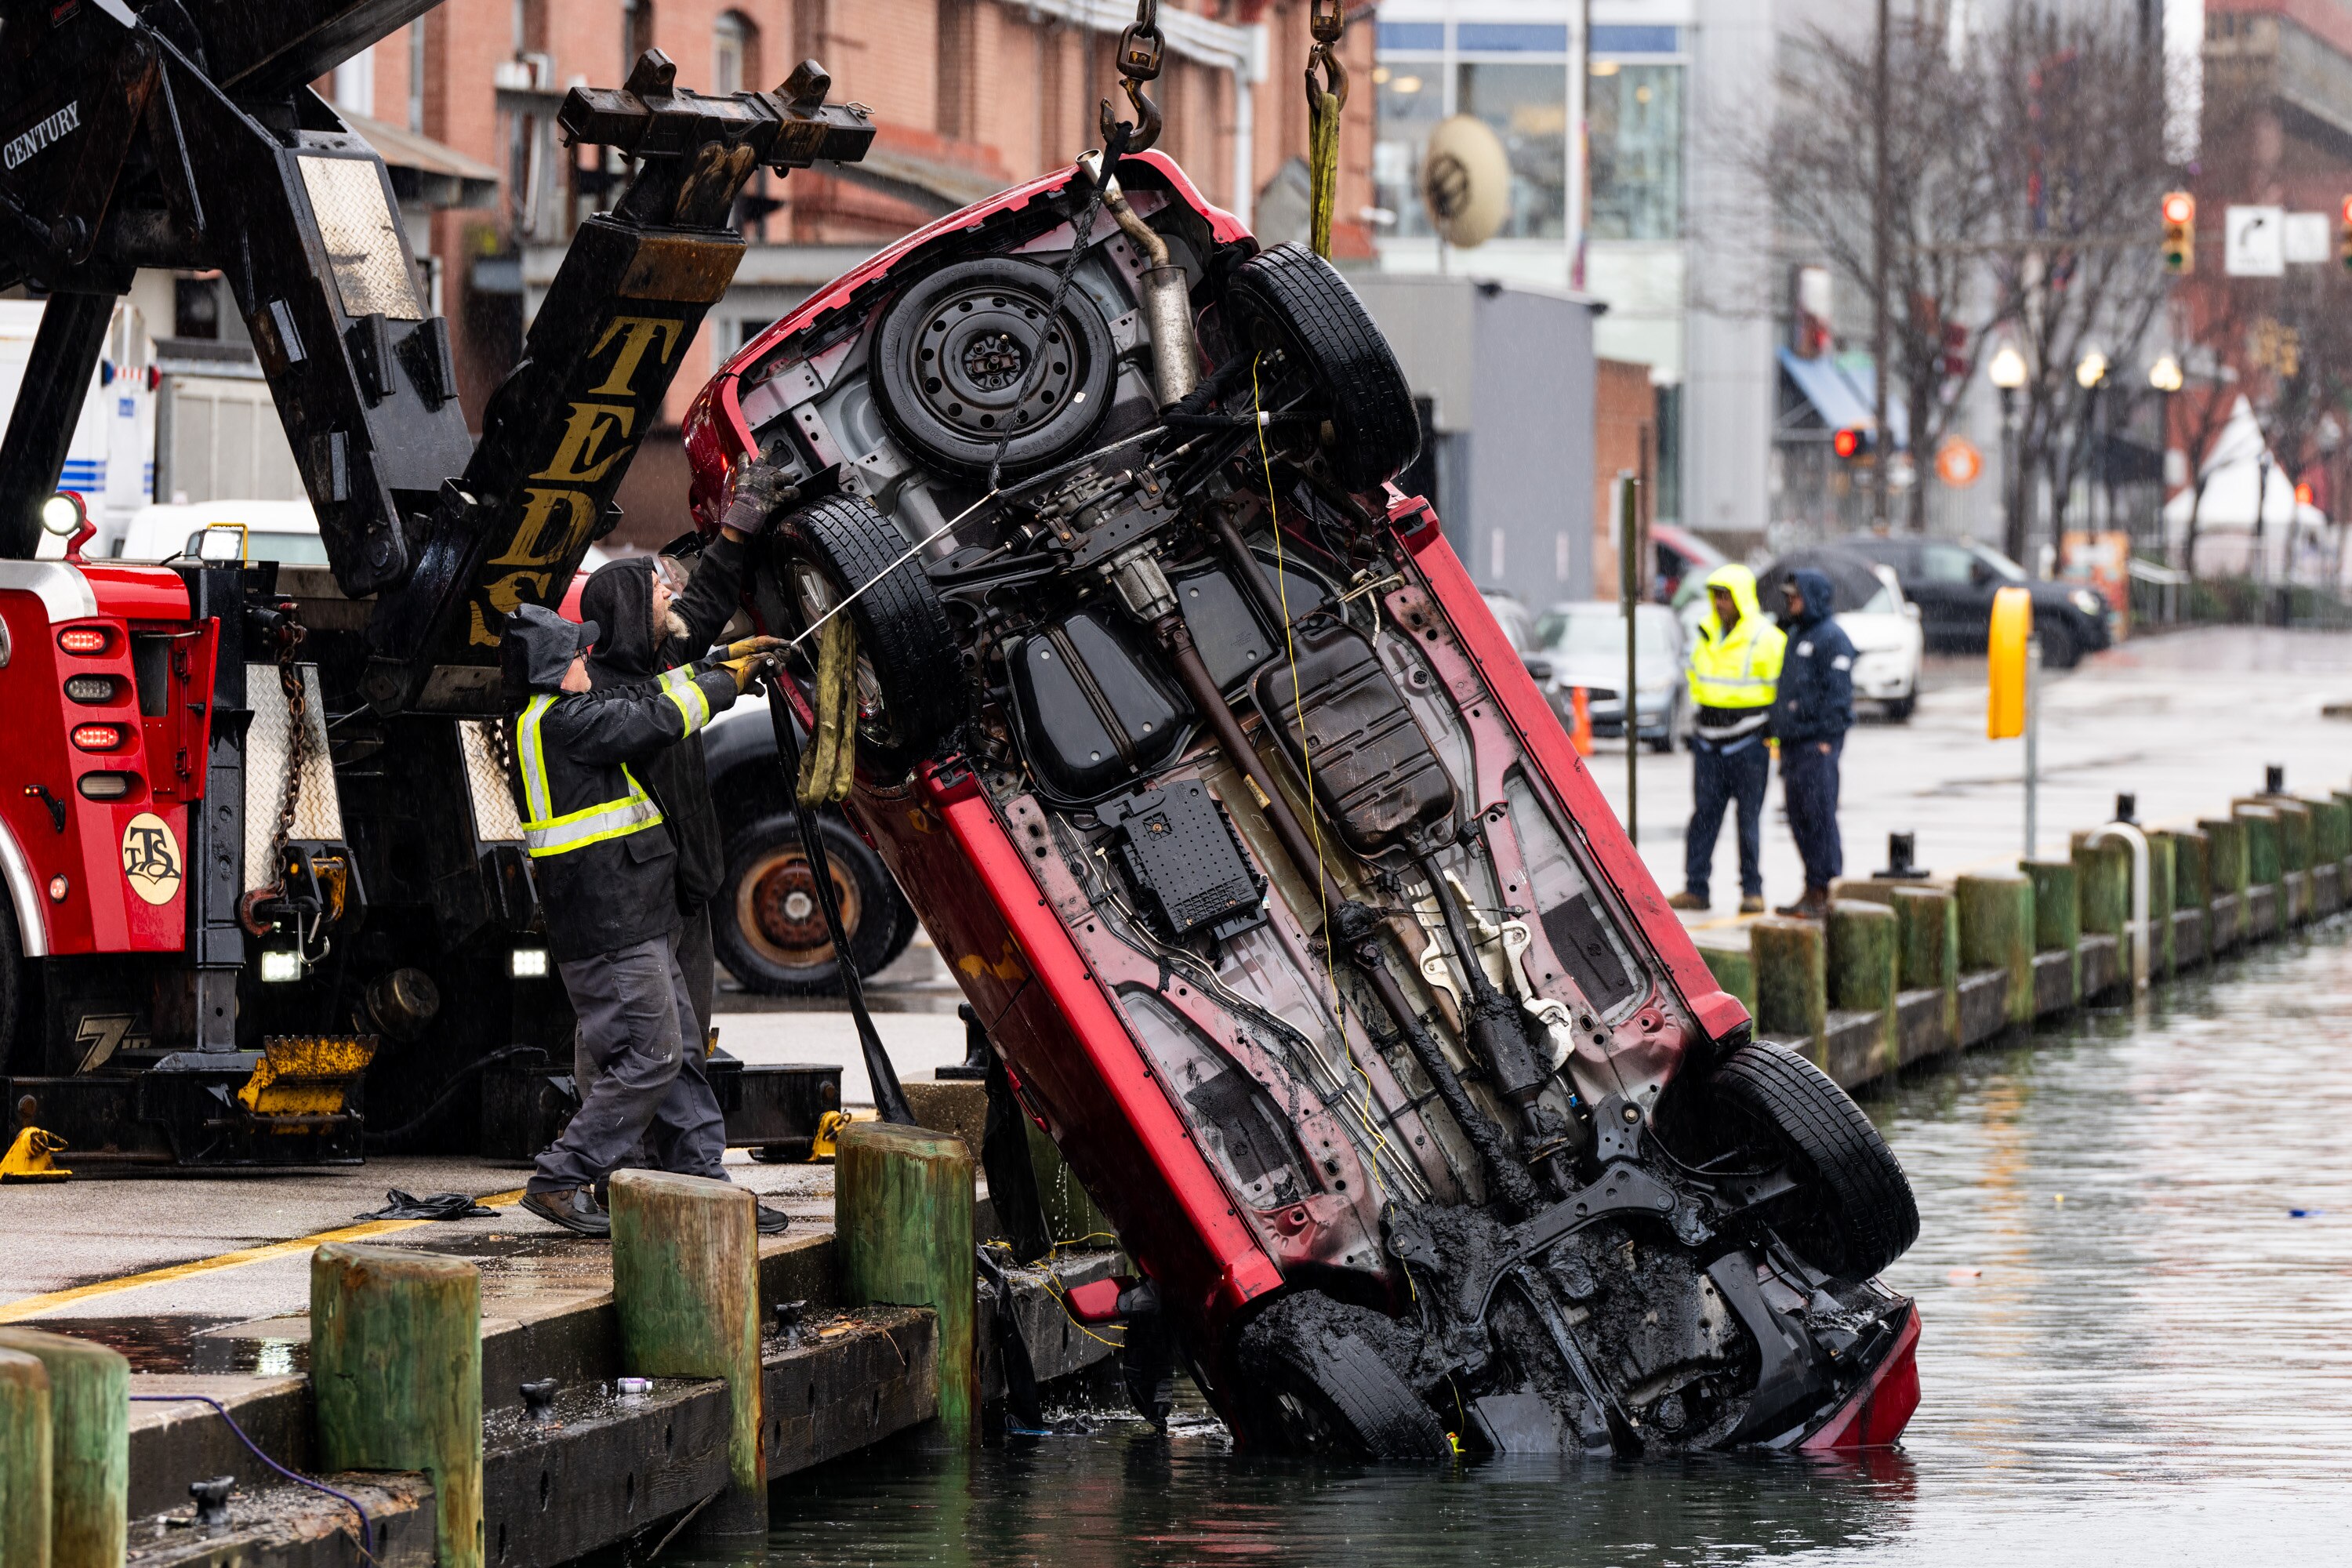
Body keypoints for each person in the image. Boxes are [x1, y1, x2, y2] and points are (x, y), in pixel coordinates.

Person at [503, 601, 786, 1237]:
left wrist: (716, 664)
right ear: (551, 669)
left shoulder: (566, 715)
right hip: (611, 928)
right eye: (574, 653)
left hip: (634, 916)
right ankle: (562, 1178)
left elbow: (644, 694)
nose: (585, 659)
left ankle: (700, 1187)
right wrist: (726, 686)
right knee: (650, 1057)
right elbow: (654, 718)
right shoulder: (562, 724)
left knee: (678, 1052)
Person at [1668, 564, 1785, 916]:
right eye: (1716, 595)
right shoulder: (1705, 633)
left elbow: (1782, 690)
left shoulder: (1767, 637)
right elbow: (1695, 683)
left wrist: (1773, 737)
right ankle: (1696, 888)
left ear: (1741, 598)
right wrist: (1693, 730)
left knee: (1748, 821)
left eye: (1726, 596)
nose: (1719, 603)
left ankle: (1753, 890)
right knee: (1703, 817)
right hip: (1708, 741)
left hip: (1749, 741)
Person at [1771, 567, 1855, 920]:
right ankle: (1811, 885)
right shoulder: (1795, 635)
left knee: (1819, 816)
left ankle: (1825, 889)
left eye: (1796, 596)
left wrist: (1826, 740)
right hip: (1792, 744)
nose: (1790, 602)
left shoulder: (1831, 637)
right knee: (1799, 818)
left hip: (1815, 746)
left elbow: (1839, 697)